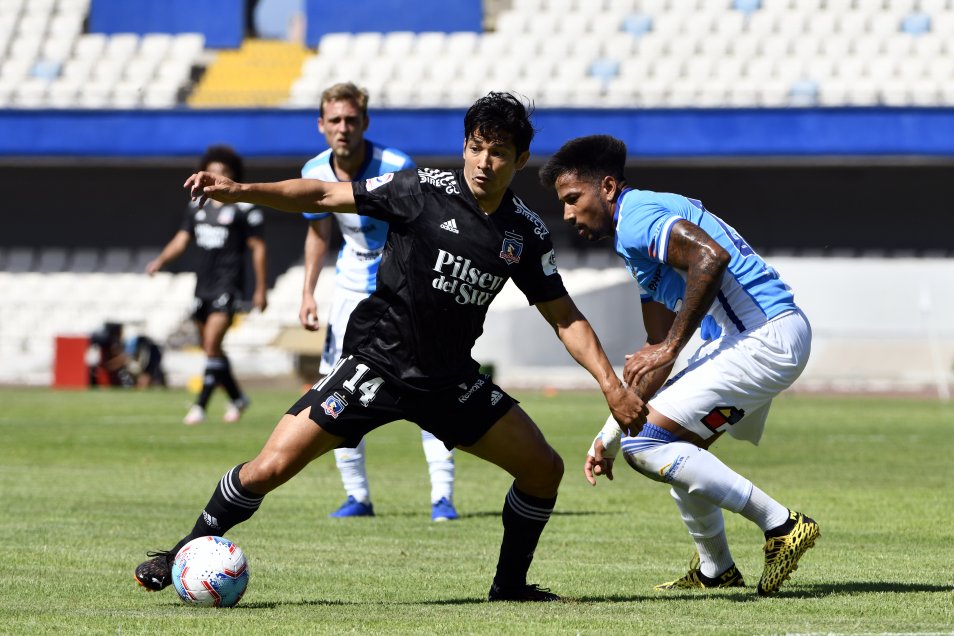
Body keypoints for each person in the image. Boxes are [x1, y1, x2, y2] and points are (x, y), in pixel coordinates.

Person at [134, 93, 645, 602]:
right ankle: (184, 549)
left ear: (520, 159)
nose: (484, 163)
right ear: (464, 147)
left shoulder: (526, 235)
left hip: (448, 381)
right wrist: (241, 190)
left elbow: (566, 318)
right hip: (375, 366)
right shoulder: (420, 189)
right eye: (476, 147)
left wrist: (611, 386)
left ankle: (509, 588)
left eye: (498, 153)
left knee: (543, 470)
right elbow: (321, 196)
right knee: (268, 468)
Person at [539, 134, 819, 596]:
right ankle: (717, 569)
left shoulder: (637, 219)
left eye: (573, 198)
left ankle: (781, 525)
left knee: (647, 447)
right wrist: (606, 436)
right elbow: (654, 352)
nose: (568, 214)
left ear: (607, 187)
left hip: (763, 337)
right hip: (759, 338)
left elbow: (711, 257)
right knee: (673, 449)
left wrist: (670, 347)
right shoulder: (636, 240)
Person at [299, 82, 458, 521]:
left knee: (427, 385)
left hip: (401, 288)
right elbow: (318, 233)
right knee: (335, 389)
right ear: (321, 125)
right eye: (335, 120)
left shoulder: (396, 165)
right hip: (349, 289)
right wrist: (308, 292)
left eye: (352, 120)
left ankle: (442, 497)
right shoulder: (314, 169)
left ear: (365, 122)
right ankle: (357, 496)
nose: (343, 128)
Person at [146, 144, 268, 425]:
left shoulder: (244, 209)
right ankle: (238, 398)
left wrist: (260, 289)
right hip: (203, 286)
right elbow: (181, 240)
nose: (217, 176)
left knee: (212, 343)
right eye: (212, 171)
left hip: (229, 285)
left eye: (223, 171)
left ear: (232, 174)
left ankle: (200, 406)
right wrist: (160, 261)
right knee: (211, 349)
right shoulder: (196, 206)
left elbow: (258, 249)